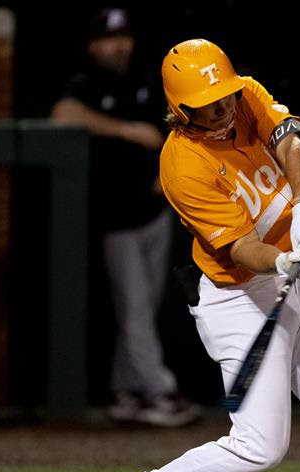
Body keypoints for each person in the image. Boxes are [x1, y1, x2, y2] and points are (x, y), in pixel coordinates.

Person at [94, 39, 300, 472]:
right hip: (236, 297)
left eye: (225, 97)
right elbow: (241, 249)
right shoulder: (181, 166)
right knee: (261, 447)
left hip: (293, 277)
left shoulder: (245, 96)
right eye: (207, 105)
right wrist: (281, 260)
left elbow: (295, 146)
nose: (221, 109)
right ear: (181, 108)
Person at [50, 8, 201, 427]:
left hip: (153, 212)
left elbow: (179, 126)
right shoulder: (86, 84)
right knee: (134, 307)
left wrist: (166, 171)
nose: (120, 45)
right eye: (111, 38)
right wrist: (125, 130)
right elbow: (62, 115)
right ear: (94, 44)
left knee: (144, 309)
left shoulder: (147, 81)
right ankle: (161, 391)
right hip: (115, 218)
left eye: (125, 37)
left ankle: (127, 390)